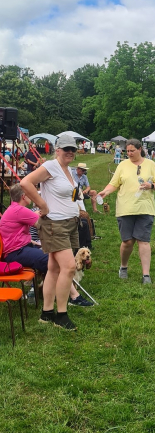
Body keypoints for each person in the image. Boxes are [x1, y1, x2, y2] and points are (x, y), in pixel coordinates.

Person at [20, 134, 82, 330]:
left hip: (69, 223)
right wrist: (42, 206)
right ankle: (61, 315)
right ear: (57, 150)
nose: (70, 152)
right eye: (66, 149)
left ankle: (47, 313)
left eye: (73, 149)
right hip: (55, 225)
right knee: (69, 267)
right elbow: (25, 183)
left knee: (54, 268)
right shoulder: (51, 166)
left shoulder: (68, 169)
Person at [0, 184, 93, 306]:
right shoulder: (19, 210)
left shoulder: (14, 209)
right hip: (15, 253)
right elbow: (45, 225)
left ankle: (59, 293)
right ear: (23, 196)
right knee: (52, 260)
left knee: (54, 258)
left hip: (19, 249)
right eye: (29, 194)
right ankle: (73, 296)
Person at [98, 138, 155, 284]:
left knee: (143, 241)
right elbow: (113, 184)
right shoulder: (122, 165)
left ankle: (146, 275)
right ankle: (123, 267)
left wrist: (151, 185)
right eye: (127, 151)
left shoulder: (150, 164)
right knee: (127, 241)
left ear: (140, 149)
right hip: (125, 208)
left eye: (132, 151)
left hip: (145, 208)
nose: (129, 153)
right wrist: (106, 192)